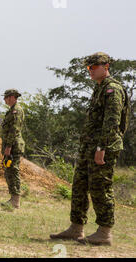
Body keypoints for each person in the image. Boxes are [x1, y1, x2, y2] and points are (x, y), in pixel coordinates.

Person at [50, 52, 130, 246]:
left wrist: (101, 147)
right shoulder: (100, 89)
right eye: (88, 68)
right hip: (89, 147)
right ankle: (76, 228)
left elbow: (111, 122)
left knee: (100, 187)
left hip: (104, 147)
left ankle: (104, 232)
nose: (90, 71)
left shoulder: (112, 89)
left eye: (93, 67)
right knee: (79, 186)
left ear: (106, 66)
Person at [0, 89, 25, 209]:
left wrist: (8, 147)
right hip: (10, 146)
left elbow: (14, 129)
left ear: (12, 97)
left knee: (13, 171)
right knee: (8, 171)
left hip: (13, 146)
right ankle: (13, 198)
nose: (4, 100)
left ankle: (16, 200)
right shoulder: (11, 111)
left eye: (6, 97)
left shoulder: (16, 111)